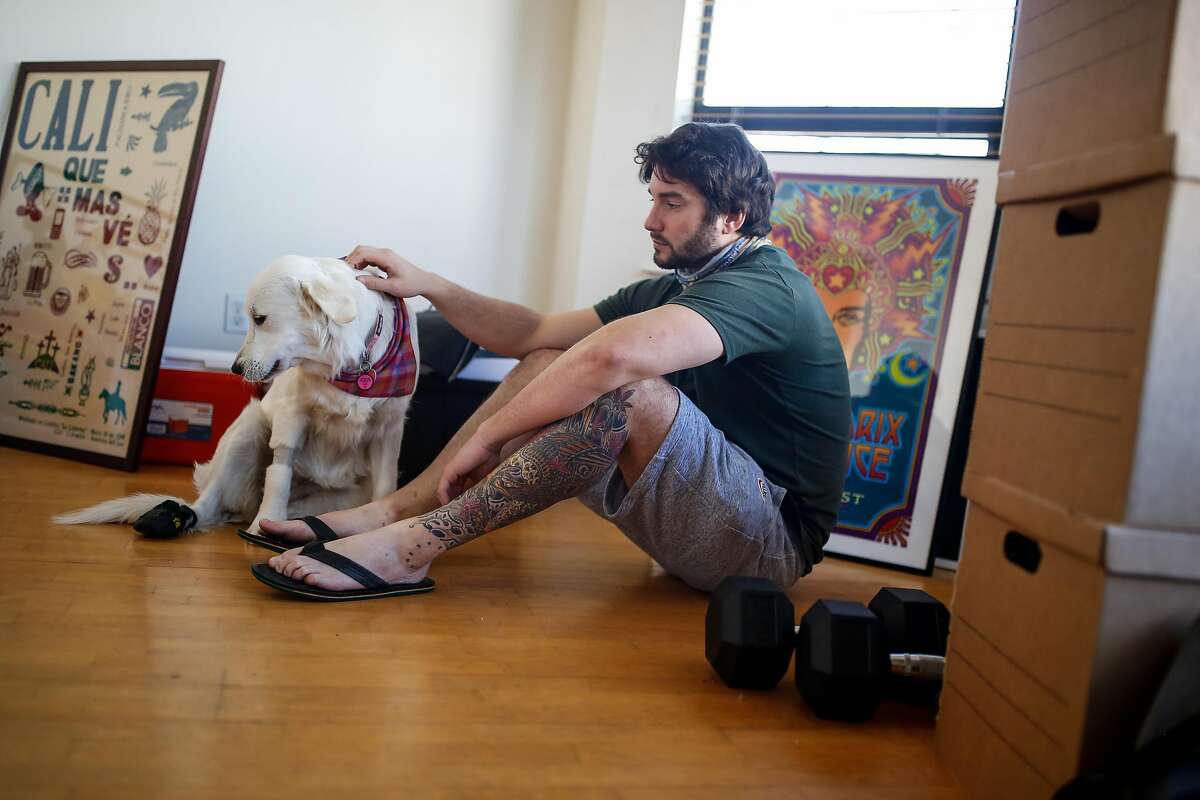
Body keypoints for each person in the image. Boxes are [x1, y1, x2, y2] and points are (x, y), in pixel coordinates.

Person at [255, 122, 851, 599]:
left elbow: (615, 357)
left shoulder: (771, 287)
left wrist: (488, 435)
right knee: (551, 356)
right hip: (700, 524)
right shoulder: (674, 289)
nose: (651, 219)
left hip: (767, 546)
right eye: (653, 199)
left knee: (629, 388)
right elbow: (534, 333)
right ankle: (392, 511)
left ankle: (410, 547)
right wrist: (428, 284)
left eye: (672, 203)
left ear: (732, 218)